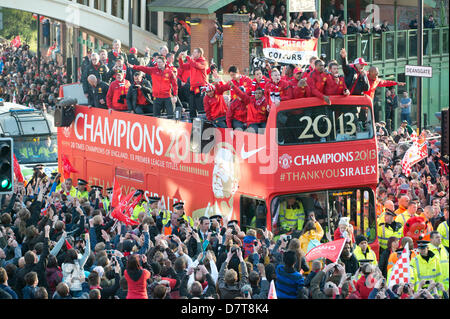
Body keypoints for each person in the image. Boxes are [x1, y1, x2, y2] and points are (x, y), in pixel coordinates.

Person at [178, 48, 208, 119]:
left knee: (200, 107)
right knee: (192, 107)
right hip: (192, 87)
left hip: (200, 87)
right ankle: (192, 123)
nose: (193, 54)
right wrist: (180, 58)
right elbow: (182, 67)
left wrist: (187, 57)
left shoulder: (203, 62)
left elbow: (196, 65)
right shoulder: (192, 62)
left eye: (195, 52)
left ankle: (203, 124)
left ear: (199, 54)